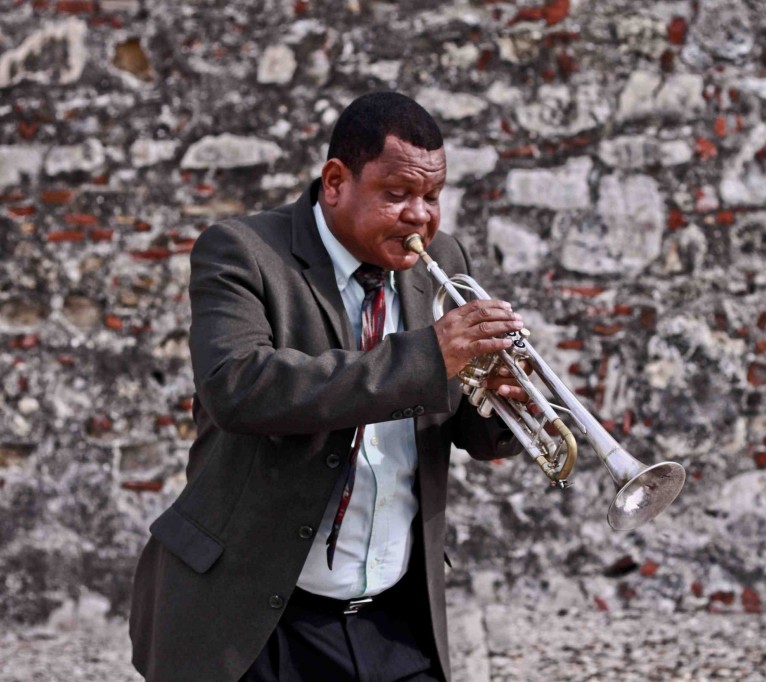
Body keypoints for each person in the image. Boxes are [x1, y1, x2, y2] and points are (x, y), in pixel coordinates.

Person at [129, 92, 528, 682]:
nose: (421, 216)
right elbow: (239, 387)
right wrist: (428, 355)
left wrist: (501, 405)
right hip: (256, 623)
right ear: (336, 182)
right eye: (397, 194)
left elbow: (461, 423)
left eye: (432, 196)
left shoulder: (441, 259)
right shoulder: (243, 252)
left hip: (396, 618)